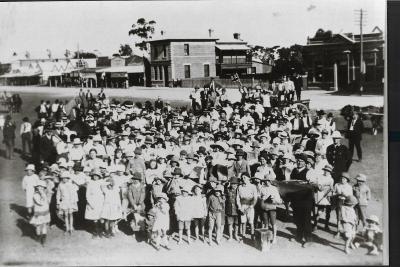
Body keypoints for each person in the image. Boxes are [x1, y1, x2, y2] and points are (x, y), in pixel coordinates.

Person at [259, 176, 283, 244]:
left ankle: (274, 237)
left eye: (268, 180)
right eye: (265, 181)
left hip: (272, 207)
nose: (267, 182)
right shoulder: (262, 188)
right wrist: (262, 199)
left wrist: (274, 200)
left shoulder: (274, 188)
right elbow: (259, 196)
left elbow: (278, 199)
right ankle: (265, 238)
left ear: (270, 181)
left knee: (273, 223)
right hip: (264, 207)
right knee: (265, 223)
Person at [236, 172, 258, 240]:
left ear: (249, 178)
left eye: (245, 177)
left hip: (250, 206)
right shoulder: (239, 187)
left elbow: (255, 198)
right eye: (242, 178)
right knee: (243, 222)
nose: (243, 179)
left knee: (251, 222)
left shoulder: (253, 186)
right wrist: (239, 207)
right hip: (242, 206)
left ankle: (252, 236)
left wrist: (251, 206)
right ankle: (243, 236)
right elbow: (237, 198)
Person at [30, 180, 51, 246]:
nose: (40, 188)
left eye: (42, 187)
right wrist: (43, 195)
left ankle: (44, 237)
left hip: (45, 212)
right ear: (36, 187)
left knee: (44, 224)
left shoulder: (44, 194)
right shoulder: (35, 195)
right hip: (38, 212)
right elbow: (40, 203)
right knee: (38, 225)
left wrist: (46, 195)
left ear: (44, 188)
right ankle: (38, 236)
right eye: (39, 187)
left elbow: (48, 202)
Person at [85, 169, 105, 238]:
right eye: (94, 176)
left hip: (100, 201)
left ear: (99, 176)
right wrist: (90, 202)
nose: (95, 177)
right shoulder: (90, 183)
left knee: (101, 217)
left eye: (97, 176)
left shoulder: (102, 182)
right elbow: (87, 194)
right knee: (94, 217)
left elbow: (105, 192)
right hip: (93, 201)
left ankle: (101, 231)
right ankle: (95, 231)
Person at [225, 176, 240, 241]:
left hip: (237, 209)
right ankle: (230, 236)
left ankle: (236, 235)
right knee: (230, 223)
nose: (234, 185)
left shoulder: (239, 190)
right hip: (229, 209)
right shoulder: (227, 190)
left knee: (237, 223)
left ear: (237, 184)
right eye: (232, 183)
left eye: (235, 184)